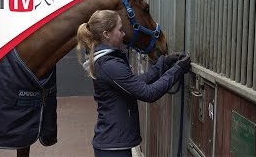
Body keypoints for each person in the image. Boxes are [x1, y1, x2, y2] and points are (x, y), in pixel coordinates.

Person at [76, 10, 191, 157]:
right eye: (120, 29)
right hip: (113, 147)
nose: (124, 34)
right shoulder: (109, 65)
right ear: (106, 34)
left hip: (112, 144)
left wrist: (164, 64)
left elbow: (135, 83)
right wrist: (177, 70)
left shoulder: (106, 60)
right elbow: (148, 93)